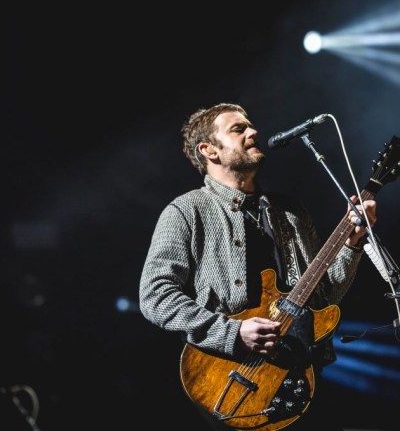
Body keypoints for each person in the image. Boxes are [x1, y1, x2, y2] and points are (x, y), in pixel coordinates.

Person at [139, 103, 376, 431]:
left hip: (299, 375)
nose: (254, 132)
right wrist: (232, 332)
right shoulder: (186, 211)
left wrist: (352, 244)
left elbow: (324, 295)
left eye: (250, 126)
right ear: (209, 150)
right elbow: (155, 296)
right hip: (229, 376)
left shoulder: (290, 211)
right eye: (238, 129)